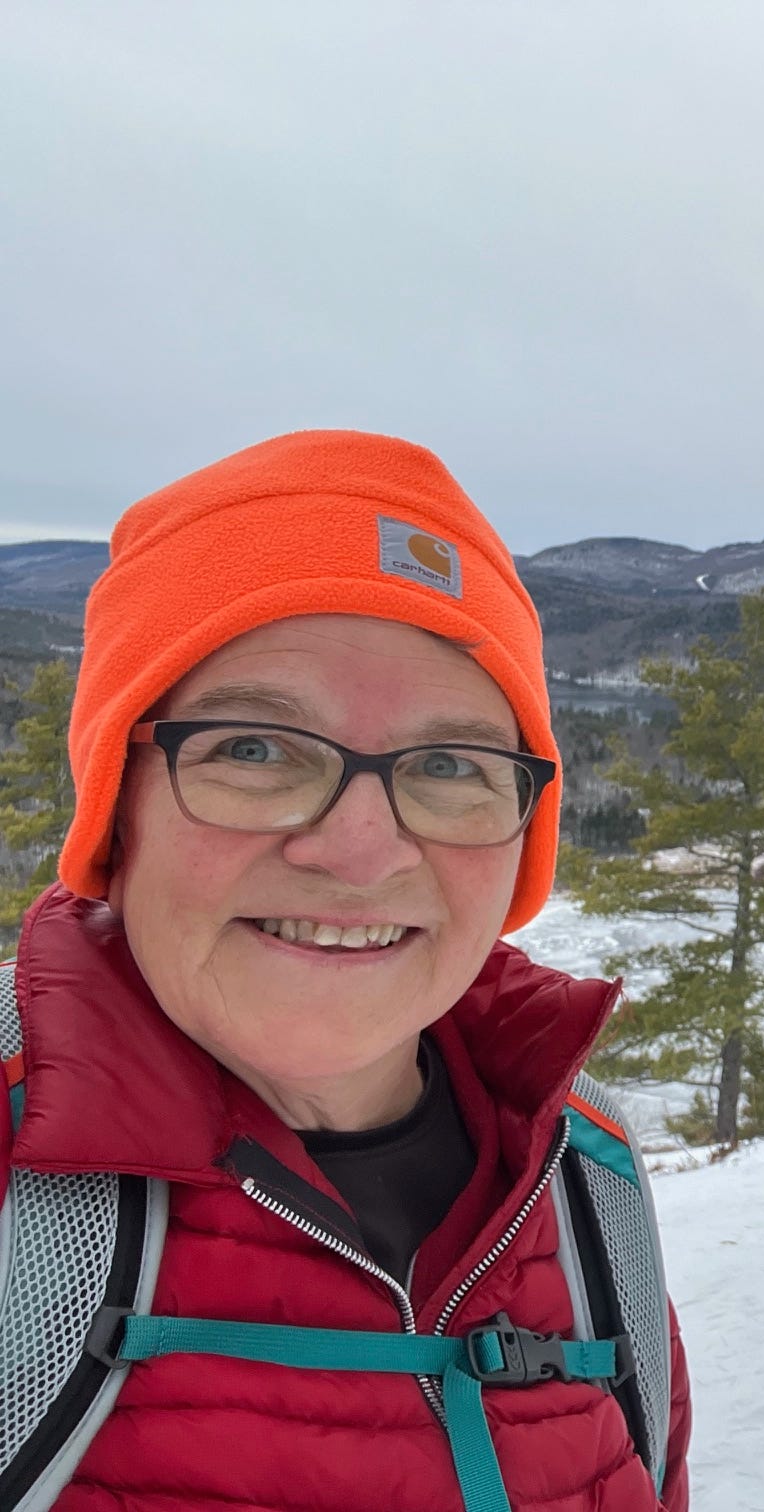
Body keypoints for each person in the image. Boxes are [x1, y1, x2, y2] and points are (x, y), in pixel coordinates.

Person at [0, 431, 691, 1511]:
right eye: (254, 748)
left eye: (450, 764)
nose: (361, 851)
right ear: (117, 807)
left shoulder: (583, 1176)